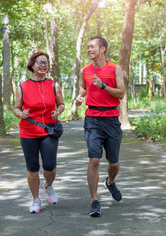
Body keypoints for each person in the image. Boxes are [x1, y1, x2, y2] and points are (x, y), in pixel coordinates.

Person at [75, 36, 126, 217]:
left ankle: (110, 182)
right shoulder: (85, 70)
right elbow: (84, 87)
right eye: (87, 47)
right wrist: (80, 97)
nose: (88, 50)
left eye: (92, 47)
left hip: (111, 118)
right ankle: (94, 201)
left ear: (102, 49)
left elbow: (121, 93)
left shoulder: (115, 68)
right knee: (94, 160)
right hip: (92, 119)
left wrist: (103, 86)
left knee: (114, 163)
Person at [13, 52, 65, 214]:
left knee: (50, 166)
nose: (43, 65)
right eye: (40, 62)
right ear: (32, 65)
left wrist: (58, 111)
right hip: (28, 132)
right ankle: (36, 199)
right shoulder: (22, 87)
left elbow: (61, 104)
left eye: (46, 63)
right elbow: (15, 107)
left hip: (49, 130)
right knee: (32, 167)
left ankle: (48, 186)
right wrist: (21, 114)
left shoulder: (54, 85)